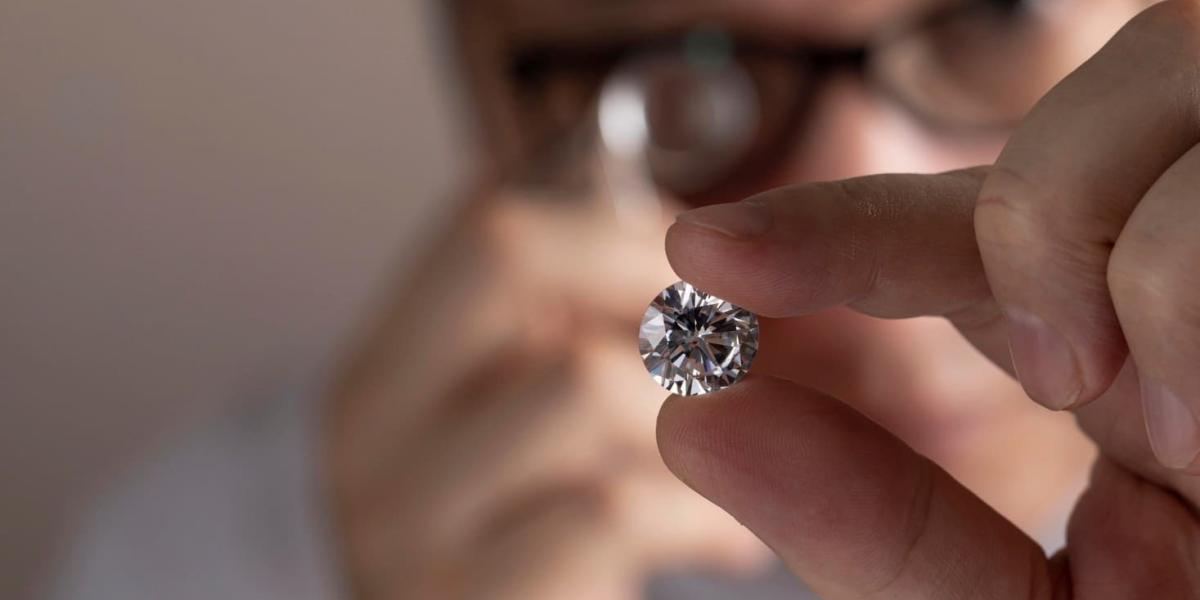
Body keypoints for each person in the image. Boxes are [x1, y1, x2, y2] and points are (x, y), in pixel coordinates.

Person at [50, 0, 1200, 598]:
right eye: (686, 73)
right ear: (501, 113)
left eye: (996, 11)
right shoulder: (224, 557)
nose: (859, 283)